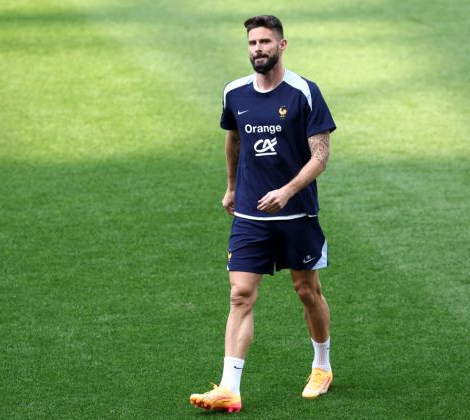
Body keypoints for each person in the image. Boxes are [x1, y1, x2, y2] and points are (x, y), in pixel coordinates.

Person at [190, 15, 336, 413]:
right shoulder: (235, 93)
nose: (258, 49)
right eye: (252, 43)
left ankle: (321, 366)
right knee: (240, 295)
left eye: (265, 42)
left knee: (307, 291)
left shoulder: (304, 92)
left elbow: (321, 155)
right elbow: (233, 140)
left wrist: (287, 191)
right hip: (251, 216)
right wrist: (233, 187)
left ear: (282, 45)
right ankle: (229, 387)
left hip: (296, 214)